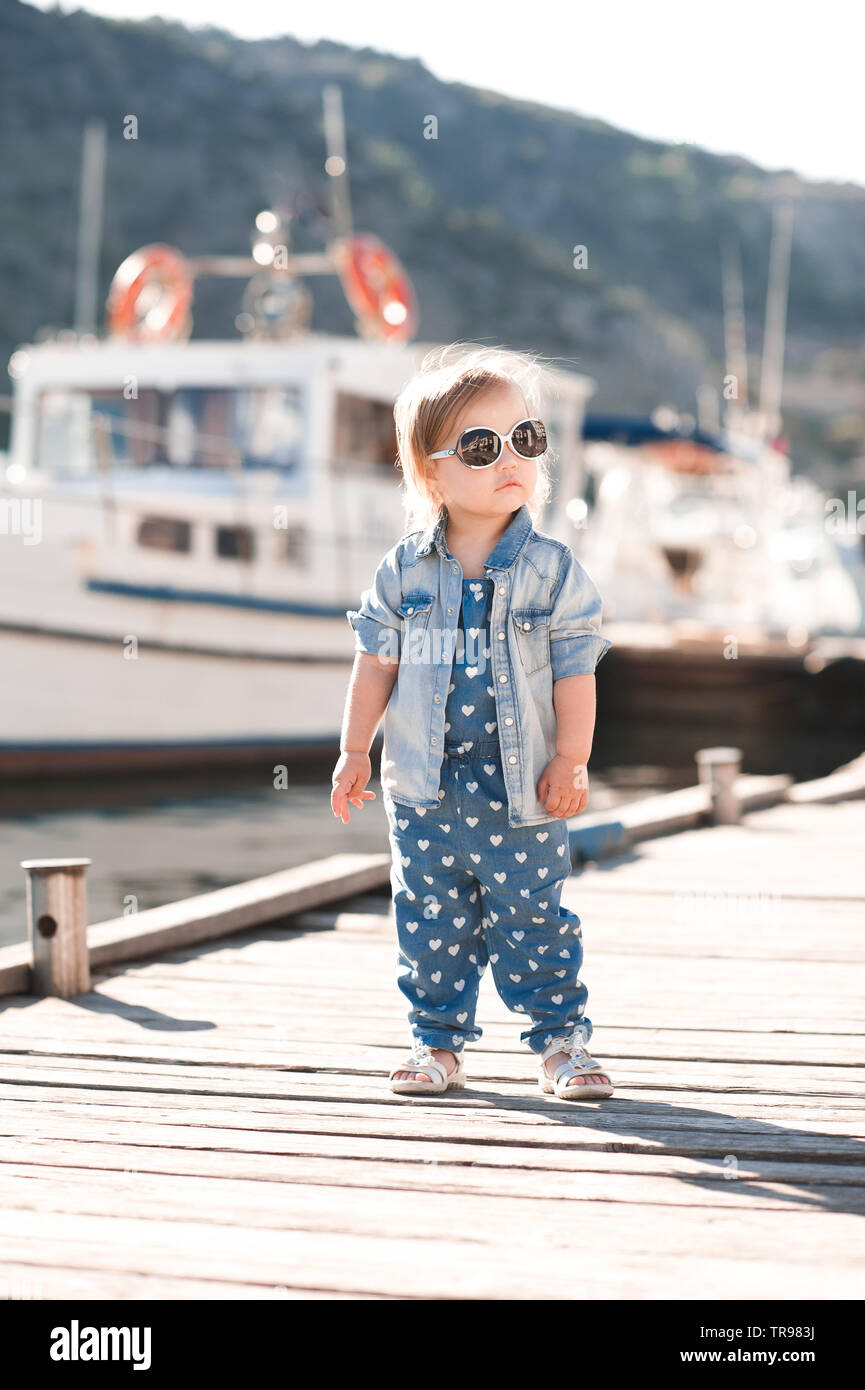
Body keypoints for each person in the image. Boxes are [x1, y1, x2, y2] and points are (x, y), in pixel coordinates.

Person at [332, 343, 614, 1101]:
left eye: (525, 440)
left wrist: (572, 760)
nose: (510, 460)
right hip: (424, 790)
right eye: (482, 447)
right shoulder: (404, 570)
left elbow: (574, 671)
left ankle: (559, 1042)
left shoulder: (552, 570)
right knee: (430, 925)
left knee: (533, 917)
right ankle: (436, 1043)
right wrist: (354, 749)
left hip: (520, 791)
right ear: (431, 473)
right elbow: (376, 662)